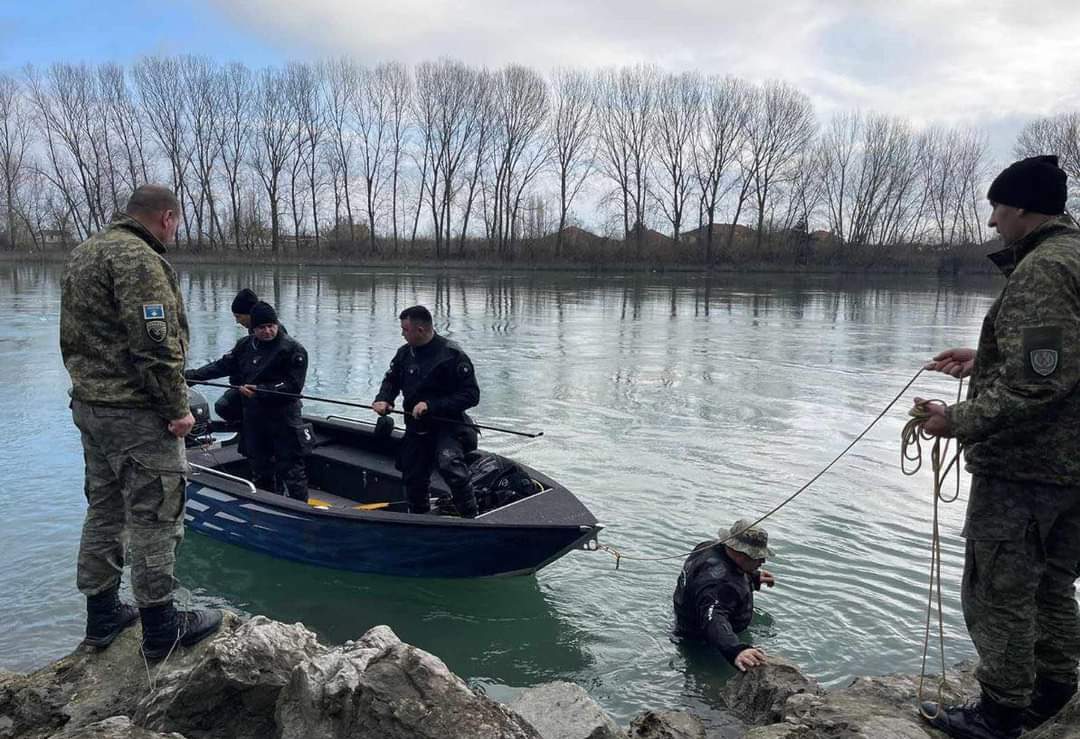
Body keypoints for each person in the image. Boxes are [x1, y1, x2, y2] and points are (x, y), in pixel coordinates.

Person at [918, 155, 1080, 739]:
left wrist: (954, 419)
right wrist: (981, 360)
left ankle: (1001, 712)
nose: (991, 222)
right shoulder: (1075, 258)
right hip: (1069, 471)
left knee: (999, 592)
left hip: (1028, 472)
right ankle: (1055, 688)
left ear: (1019, 207)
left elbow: (1038, 383)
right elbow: (1062, 362)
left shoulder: (1042, 269)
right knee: (1052, 582)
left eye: (995, 208)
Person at [60, 185, 222, 660]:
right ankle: (161, 627)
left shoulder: (84, 252)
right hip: (135, 415)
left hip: (91, 407)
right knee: (157, 516)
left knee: (105, 510)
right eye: (177, 223)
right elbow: (155, 347)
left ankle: (103, 616)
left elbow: (74, 335)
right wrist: (178, 410)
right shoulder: (140, 260)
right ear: (167, 217)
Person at [195, 300, 310, 501]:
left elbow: (293, 387)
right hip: (255, 417)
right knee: (260, 465)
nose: (267, 331)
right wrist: (192, 376)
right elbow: (221, 367)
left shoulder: (293, 350)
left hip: (284, 417)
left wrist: (261, 391)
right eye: (261, 328)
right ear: (253, 329)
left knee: (292, 469)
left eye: (271, 326)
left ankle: (300, 508)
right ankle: (266, 501)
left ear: (276, 324)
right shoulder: (244, 346)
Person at [372, 305, 480, 517]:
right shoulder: (404, 354)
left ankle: (471, 517)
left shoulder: (452, 355)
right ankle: (419, 517)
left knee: (450, 466)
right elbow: (392, 380)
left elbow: (471, 395)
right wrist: (384, 399)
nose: (402, 334)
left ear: (420, 330)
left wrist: (432, 406)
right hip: (416, 428)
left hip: (447, 426)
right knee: (412, 473)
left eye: (405, 330)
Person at [672, 519, 777, 672]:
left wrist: (752, 576)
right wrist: (736, 650)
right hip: (702, 642)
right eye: (757, 557)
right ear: (742, 554)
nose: (763, 560)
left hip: (686, 616)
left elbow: (705, 576)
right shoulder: (720, 584)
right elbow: (713, 616)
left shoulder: (708, 547)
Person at [204, 288, 261, 427]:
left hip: (260, 392)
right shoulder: (251, 336)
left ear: (250, 314)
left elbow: (226, 364)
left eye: (238, 316)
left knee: (224, 405)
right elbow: (229, 362)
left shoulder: (267, 337)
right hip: (247, 389)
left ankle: (249, 429)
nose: (237, 321)